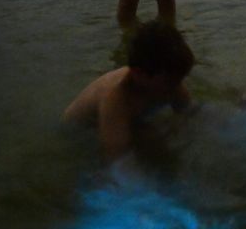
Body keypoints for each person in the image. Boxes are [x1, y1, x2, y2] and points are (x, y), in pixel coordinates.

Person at [62, 21, 195, 160]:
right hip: (82, 132)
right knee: (152, 143)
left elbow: (190, 113)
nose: (177, 87)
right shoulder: (116, 99)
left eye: (180, 79)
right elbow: (117, 160)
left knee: (161, 137)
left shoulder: (168, 79)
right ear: (139, 74)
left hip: (128, 120)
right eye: (171, 82)